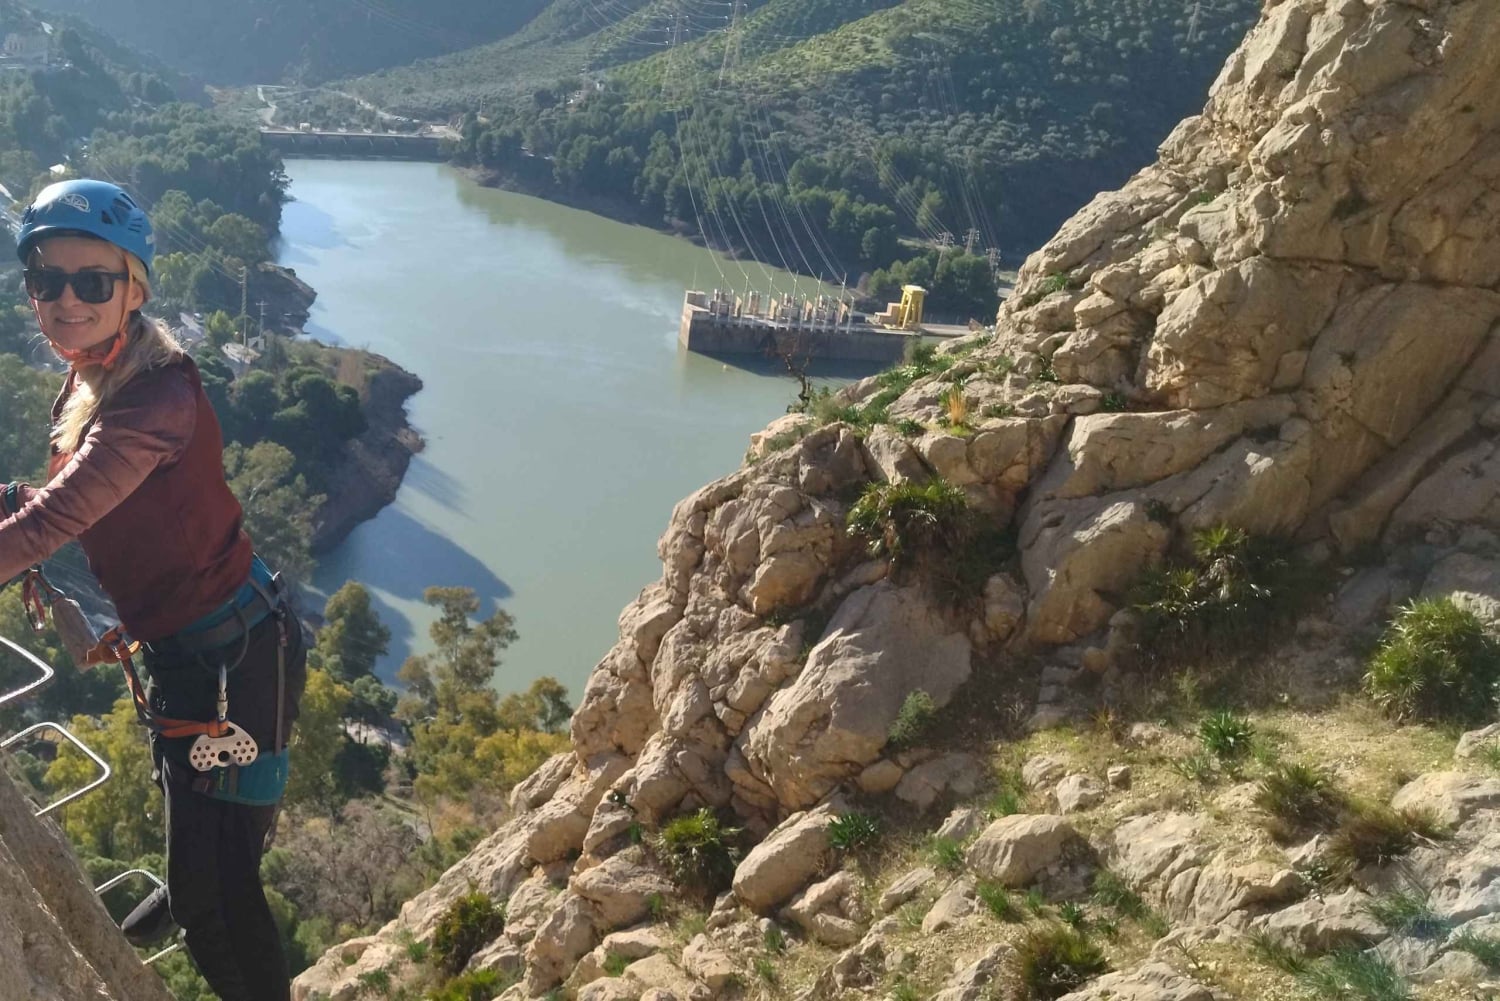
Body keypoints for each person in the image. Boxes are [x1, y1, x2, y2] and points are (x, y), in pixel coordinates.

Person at [0, 178, 307, 1001]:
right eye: (46, 280)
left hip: (239, 667)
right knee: (204, 875)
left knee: (218, 898)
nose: (65, 300)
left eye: (91, 281)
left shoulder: (157, 399)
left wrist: (19, 522)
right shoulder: (94, 378)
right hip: (193, 661)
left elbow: (60, 516)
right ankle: (117, 959)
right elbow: (77, 507)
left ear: (134, 288)